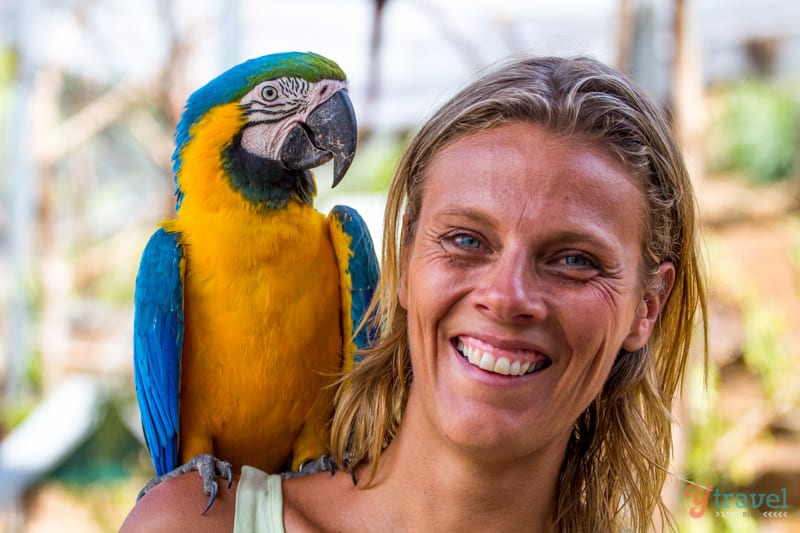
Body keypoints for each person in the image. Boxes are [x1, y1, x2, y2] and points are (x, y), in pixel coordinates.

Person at [121, 54, 707, 532]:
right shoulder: (192, 524)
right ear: (402, 261)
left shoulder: (331, 240)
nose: (506, 298)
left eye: (575, 260)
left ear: (647, 306)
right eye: (466, 240)